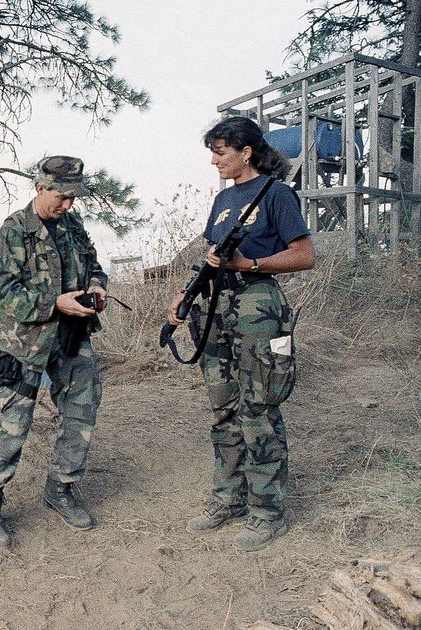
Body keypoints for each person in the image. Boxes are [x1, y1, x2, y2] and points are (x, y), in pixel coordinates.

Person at [167, 116, 315, 551]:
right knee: (224, 408)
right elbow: (211, 256)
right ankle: (228, 499)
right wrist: (185, 294)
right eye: (212, 153)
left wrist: (250, 264)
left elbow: (304, 255)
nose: (214, 161)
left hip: (256, 306)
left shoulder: (276, 194)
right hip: (216, 306)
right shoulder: (223, 199)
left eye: (220, 152)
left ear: (245, 152)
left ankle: (267, 511)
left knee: (258, 409)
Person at [0, 155, 108, 547]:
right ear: (40, 187)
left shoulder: (73, 227)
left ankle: (60, 488)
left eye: (73, 197)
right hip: (21, 343)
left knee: (81, 410)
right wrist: (54, 303)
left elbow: (95, 266)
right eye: (62, 196)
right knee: (14, 422)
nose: (68, 204)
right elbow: (0, 292)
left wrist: (97, 286)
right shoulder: (14, 231)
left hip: (71, 336)